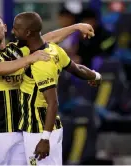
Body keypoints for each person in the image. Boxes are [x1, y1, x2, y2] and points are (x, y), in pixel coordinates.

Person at [0, 12, 95, 165]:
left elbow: (47, 39)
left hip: (23, 131)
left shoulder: (16, 50)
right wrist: (30, 58)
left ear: (5, 28)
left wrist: (76, 27)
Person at [12, 12, 101, 165]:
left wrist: (44, 139)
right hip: (43, 128)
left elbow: (53, 103)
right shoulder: (53, 50)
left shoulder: (41, 63)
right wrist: (95, 76)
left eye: (16, 29)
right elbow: (77, 69)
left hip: (39, 129)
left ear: (27, 33)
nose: (13, 32)